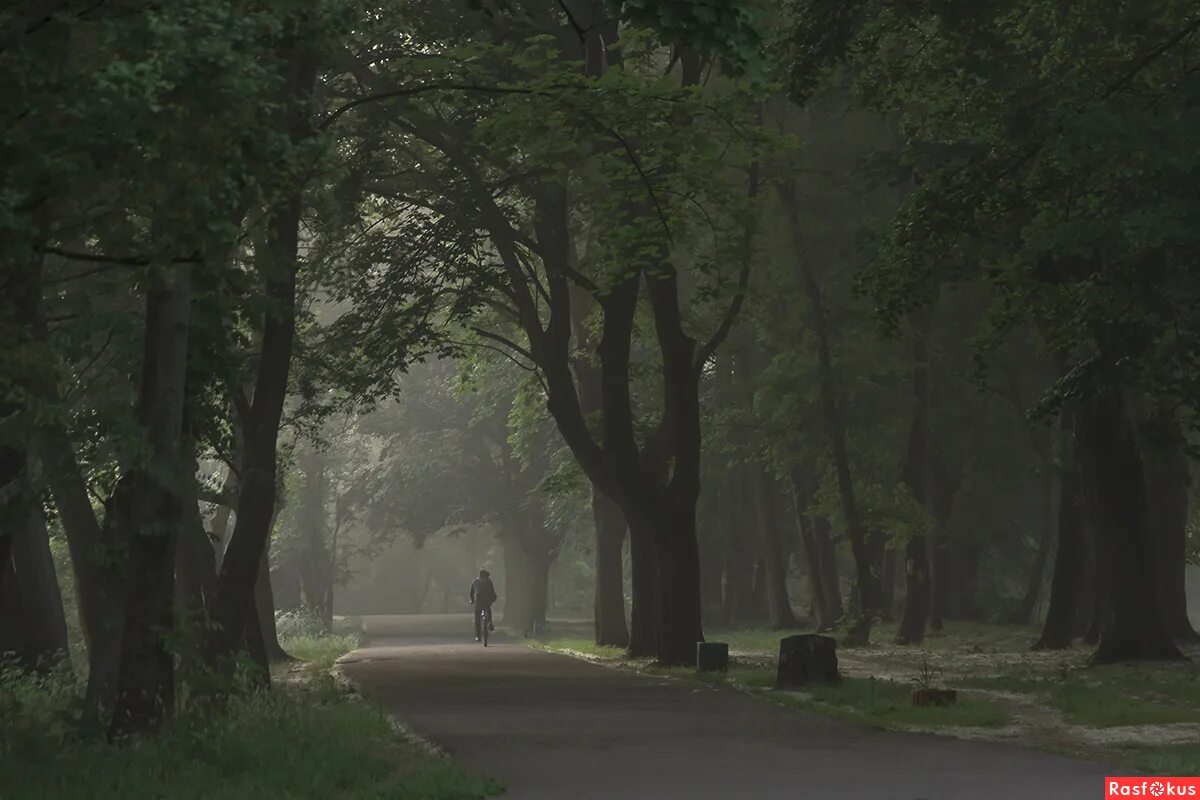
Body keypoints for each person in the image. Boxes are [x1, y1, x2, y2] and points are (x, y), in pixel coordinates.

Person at [469, 569, 498, 641]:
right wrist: (494, 598)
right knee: (488, 609)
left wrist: (472, 600)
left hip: (478, 601)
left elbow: (471, 593)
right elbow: (492, 591)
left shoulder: (475, 582)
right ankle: (490, 623)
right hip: (487, 600)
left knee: (477, 618)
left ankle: (478, 636)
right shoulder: (489, 581)